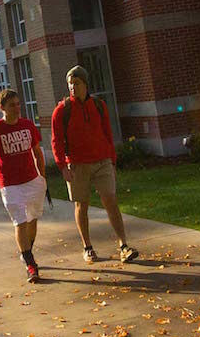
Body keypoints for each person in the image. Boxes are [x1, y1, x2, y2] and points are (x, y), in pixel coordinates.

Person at [49, 65, 137, 264]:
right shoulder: (61, 111)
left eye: (76, 83)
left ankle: (124, 245)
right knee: (82, 205)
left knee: (111, 200)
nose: (72, 87)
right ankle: (87, 247)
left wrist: (113, 162)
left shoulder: (99, 105)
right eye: (70, 83)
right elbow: (56, 141)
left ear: (85, 84)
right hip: (77, 165)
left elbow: (108, 134)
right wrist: (62, 166)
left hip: (102, 161)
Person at [0, 87, 47, 283]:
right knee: (20, 221)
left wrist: (42, 178)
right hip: (10, 186)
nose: (17, 108)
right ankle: (30, 263)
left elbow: (38, 153)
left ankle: (27, 251)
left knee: (33, 220)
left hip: (33, 181)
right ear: (2, 108)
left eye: (18, 104)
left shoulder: (28, 126)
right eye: (12, 105)